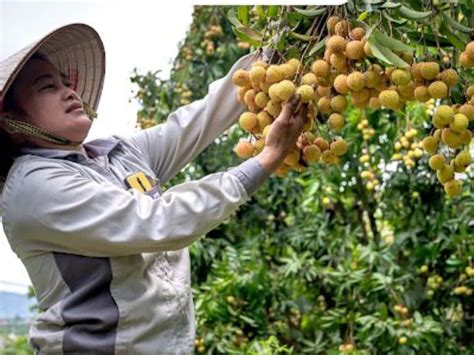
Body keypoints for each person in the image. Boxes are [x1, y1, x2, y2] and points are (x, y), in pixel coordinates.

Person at [0, 23, 305, 354]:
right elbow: (160, 221)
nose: (69, 91)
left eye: (64, 81)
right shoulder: (34, 188)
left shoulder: (116, 155)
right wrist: (267, 158)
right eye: (47, 87)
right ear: (10, 121)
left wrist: (278, 50)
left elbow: (199, 120)